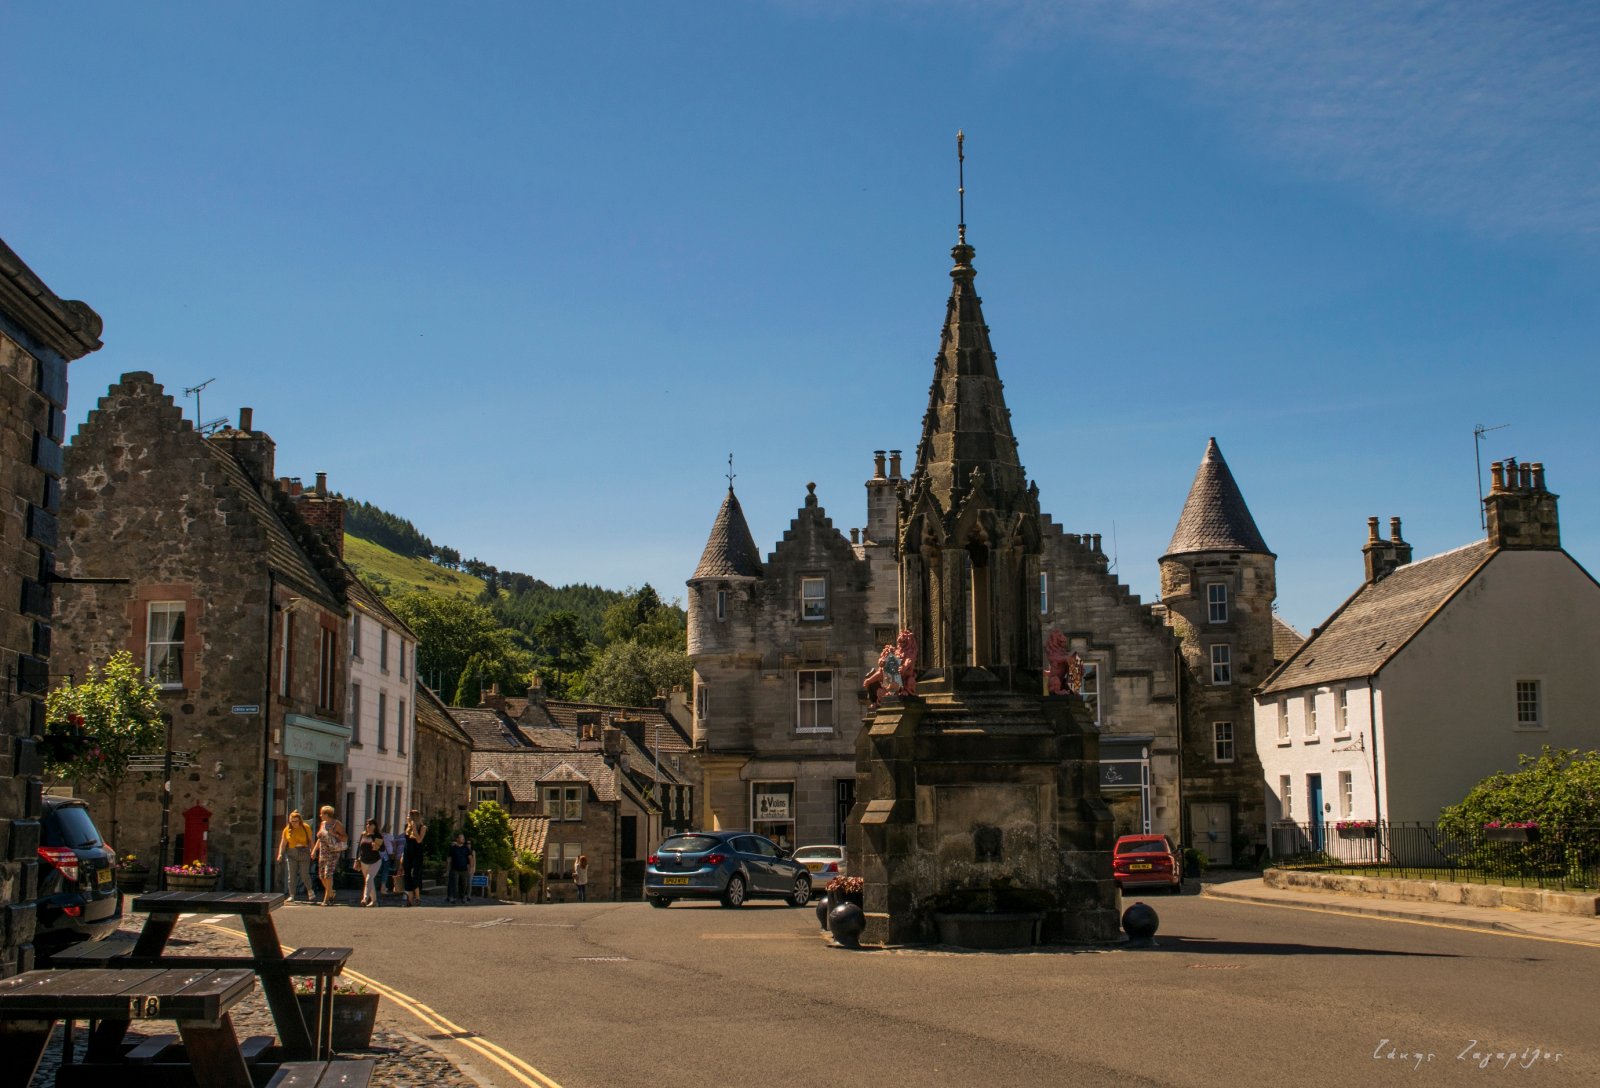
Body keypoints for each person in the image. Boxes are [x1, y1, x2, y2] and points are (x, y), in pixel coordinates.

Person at [309, 804, 347, 907]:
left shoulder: (337, 824)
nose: (320, 815)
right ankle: (331, 892)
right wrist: (314, 851)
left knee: (328, 874)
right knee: (321, 876)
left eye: (321, 813)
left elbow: (345, 838)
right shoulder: (322, 824)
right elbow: (320, 839)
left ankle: (326, 898)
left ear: (327, 814)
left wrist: (334, 834)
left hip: (333, 852)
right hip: (323, 852)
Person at [276, 810, 314, 902]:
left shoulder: (306, 827)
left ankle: (310, 890)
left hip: (304, 852)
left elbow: (311, 840)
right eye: (292, 821)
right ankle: (292, 895)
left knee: (304, 874)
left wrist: (313, 851)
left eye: (296, 821)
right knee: (291, 875)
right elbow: (283, 842)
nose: (294, 823)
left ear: (300, 820)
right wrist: (280, 853)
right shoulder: (287, 829)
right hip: (291, 853)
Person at [357, 819, 385, 907]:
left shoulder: (377, 836)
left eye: (370, 824)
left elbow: (383, 849)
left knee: (369, 879)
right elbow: (359, 848)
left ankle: (365, 899)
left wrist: (377, 846)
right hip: (364, 861)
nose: (368, 826)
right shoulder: (363, 834)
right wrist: (356, 859)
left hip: (375, 861)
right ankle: (374, 901)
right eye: (367, 824)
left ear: (375, 826)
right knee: (369, 881)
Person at [402, 809, 426, 907]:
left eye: (409, 816)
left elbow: (419, 840)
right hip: (407, 853)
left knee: (415, 874)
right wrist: (402, 856)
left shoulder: (422, 827)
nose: (407, 817)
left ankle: (418, 897)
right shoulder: (406, 827)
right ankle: (410, 900)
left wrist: (414, 829)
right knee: (407, 874)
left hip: (417, 853)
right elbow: (406, 842)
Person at [447, 832, 474, 903]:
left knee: (464, 884)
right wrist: (448, 869)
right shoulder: (453, 848)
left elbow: (470, 858)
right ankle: (454, 898)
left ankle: (463, 897)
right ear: (457, 839)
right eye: (462, 838)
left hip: (464, 870)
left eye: (463, 838)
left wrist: (471, 868)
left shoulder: (466, 848)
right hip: (455, 869)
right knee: (455, 884)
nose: (463, 839)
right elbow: (449, 859)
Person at [375, 825, 393, 898]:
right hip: (387, 856)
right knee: (385, 871)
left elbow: (376, 846)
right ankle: (383, 888)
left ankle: (372, 886)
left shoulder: (379, 836)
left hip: (378, 856)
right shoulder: (390, 836)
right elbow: (393, 845)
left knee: (376, 871)